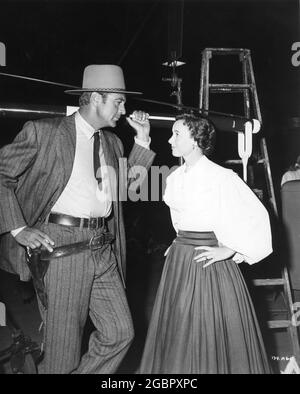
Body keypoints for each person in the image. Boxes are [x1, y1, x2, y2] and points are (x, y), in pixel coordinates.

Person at [0, 64, 155, 374]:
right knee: (63, 353)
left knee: (119, 333)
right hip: (62, 247)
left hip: (102, 248)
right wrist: (18, 228)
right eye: (118, 102)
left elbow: (125, 190)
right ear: (96, 97)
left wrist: (143, 144)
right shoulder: (45, 133)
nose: (124, 109)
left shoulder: (112, 143)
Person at [139, 113, 273, 374]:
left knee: (210, 332)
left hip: (208, 260)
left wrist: (231, 248)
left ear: (196, 140)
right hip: (180, 260)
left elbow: (256, 216)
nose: (169, 139)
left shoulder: (222, 177)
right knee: (180, 332)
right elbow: (179, 217)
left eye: (176, 134)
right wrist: (178, 241)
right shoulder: (175, 177)